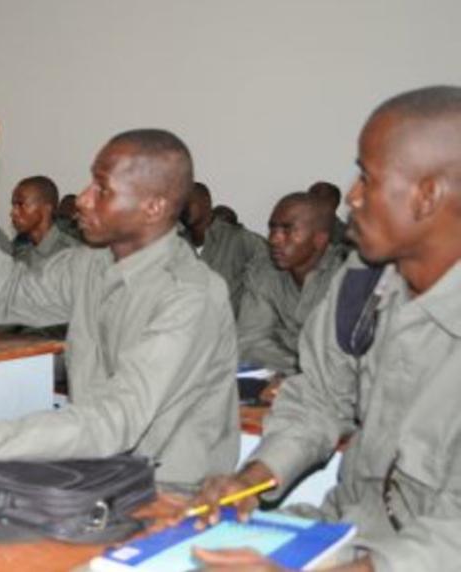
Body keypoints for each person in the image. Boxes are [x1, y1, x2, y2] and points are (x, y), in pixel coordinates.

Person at [0, 121, 240, 492]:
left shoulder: (191, 294)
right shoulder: (92, 263)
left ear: (153, 206)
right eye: (91, 180)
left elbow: (114, 421)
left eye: (102, 189)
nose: (84, 198)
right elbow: (6, 298)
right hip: (102, 473)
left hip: (171, 492)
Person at [182, 85, 461, 571]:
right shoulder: (363, 283)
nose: (352, 197)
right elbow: (319, 397)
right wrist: (256, 475)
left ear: (428, 196)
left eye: (368, 179)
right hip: (344, 527)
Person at [235, 192, 345, 376]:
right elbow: (249, 343)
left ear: (320, 239)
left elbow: (341, 360)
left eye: (287, 230)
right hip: (285, 384)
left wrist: (280, 345)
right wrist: (301, 368)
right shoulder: (263, 272)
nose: (274, 239)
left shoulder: (345, 277)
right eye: (273, 229)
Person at [182, 182, 267, 315]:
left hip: (231, 329)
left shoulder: (237, 238)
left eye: (188, 202)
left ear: (206, 202)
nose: (183, 208)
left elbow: (271, 260)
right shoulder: (176, 243)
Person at [9, 175, 79, 269]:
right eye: (13, 205)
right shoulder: (18, 254)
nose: (13, 212)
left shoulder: (72, 254)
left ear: (46, 209)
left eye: (21, 204)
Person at [309, 180, 350, 247]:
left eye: (318, 198)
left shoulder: (346, 235)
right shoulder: (297, 227)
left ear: (333, 202)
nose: (312, 203)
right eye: (310, 198)